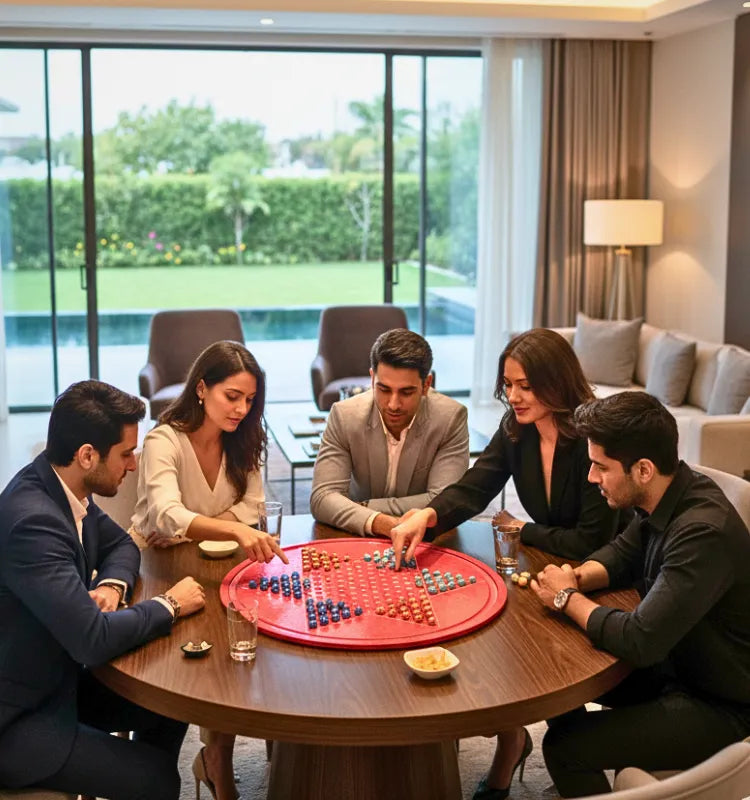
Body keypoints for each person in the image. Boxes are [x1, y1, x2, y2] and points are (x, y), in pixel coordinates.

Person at [389, 328, 623, 799]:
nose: (513, 396)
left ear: (556, 382)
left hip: (601, 575)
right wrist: (429, 515)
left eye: (526, 386)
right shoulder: (517, 428)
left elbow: (590, 539)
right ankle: (513, 748)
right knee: (509, 642)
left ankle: (575, 776)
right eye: (508, 384)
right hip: (549, 563)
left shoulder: (594, 437)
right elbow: (477, 484)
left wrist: (522, 530)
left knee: (548, 666)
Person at [531, 391, 750, 797]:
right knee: (553, 683)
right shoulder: (669, 491)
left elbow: (641, 639)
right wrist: (573, 578)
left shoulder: (702, 532)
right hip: (678, 662)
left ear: (643, 470)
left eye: (600, 467)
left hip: (721, 703)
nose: (591, 477)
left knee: (564, 747)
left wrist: (567, 599)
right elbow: (622, 553)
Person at [0, 380, 205, 800]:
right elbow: (92, 640)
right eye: (126, 453)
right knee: (159, 780)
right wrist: (169, 605)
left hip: (56, 680)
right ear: (87, 455)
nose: (133, 465)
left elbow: (121, 544)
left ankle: (131, 776)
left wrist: (112, 585)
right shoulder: (33, 523)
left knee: (174, 701)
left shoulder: (63, 486)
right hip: (18, 718)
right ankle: (144, 779)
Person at [132, 340, 288, 800]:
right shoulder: (164, 440)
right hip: (157, 570)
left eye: (250, 399)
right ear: (201, 388)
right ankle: (215, 762)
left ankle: (217, 756)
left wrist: (192, 528)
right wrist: (231, 529)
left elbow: (253, 506)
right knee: (199, 665)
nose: (242, 408)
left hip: (222, 570)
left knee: (247, 649)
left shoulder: (245, 438)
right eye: (231, 396)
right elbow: (163, 513)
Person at [310, 328, 470, 536]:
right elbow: (322, 497)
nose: (393, 404)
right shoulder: (344, 415)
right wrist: (383, 523)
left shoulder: (450, 418)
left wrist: (364, 507)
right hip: (357, 535)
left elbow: (444, 500)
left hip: (428, 537)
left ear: (426, 385)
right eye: (384, 389)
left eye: (406, 392)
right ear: (371, 378)